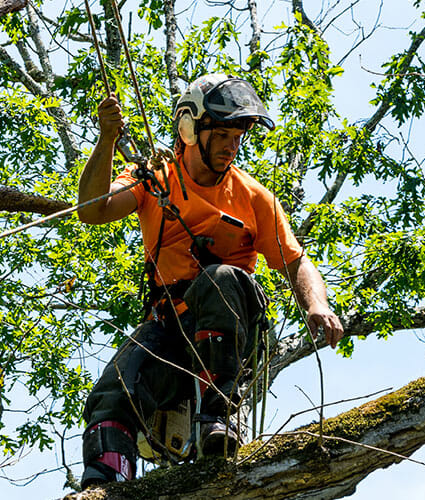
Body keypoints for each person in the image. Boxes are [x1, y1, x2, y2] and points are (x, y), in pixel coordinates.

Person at [75, 74, 345, 487]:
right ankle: (106, 483)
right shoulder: (154, 178)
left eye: (237, 136)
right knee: (114, 390)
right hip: (170, 328)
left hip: (226, 334)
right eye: (221, 134)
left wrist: (317, 305)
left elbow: (296, 262)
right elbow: (94, 210)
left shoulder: (254, 197)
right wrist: (107, 139)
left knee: (218, 278)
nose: (231, 145)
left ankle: (218, 416)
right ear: (188, 128)